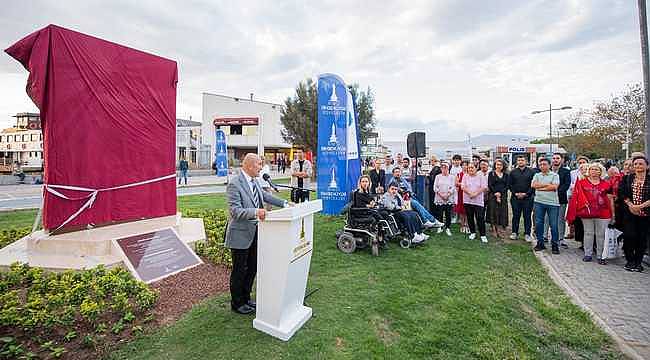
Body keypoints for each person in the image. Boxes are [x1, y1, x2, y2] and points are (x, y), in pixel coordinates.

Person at [225, 153, 289, 315]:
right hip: (240, 235)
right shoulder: (234, 184)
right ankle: (237, 303)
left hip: (256, 233)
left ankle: (246, 298)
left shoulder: (254, 182)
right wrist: (255, 212)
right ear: (250, 165)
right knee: (240, 270)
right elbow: (235, 211)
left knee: (252, 267)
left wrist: (285, 204)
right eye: (259, 164)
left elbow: (265, 196)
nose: (261, 167)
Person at [566, 163, 614, 264]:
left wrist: (613, 214)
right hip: (586, 212)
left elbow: (610, 199)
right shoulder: (582, 183)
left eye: (597, 169)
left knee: (601, 234)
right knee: (588, 233)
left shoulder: (607, 184)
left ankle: (601, 256)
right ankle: (588, 254)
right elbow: (576, 197)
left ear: (601, 172)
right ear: (589, 171)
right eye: (592, 169)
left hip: (603, 212)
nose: (594, 171)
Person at [618, 155, 650, 272]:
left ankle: (638, 262)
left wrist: (640, 206)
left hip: (645, 214)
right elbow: (622, 193)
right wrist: (631, 205)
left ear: (647, 166)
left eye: (641, 164)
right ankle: (630, 260)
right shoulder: (627, 178)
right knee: (629, 236)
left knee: (642, 239)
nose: (637, 166)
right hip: (630, 213)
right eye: (635, 164)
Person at [532, 158, 561, 254]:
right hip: (539, 202)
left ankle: (555, 244)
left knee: (553, 225)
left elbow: (554, 187)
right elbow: (533, 185)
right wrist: (547, 186)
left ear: (549, 165)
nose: (542, 166)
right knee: (539, 223)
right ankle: (540, 243)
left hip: (552, 203)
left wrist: (540, 188)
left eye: (544, 164)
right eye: (540, 165)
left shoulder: (555, 175)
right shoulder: (537, 175)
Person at [544, 153, 571, 248]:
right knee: (546, 218)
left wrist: (555, 192)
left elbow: (566, 185)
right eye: (554, 158)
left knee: (560, 219)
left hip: (561, 199)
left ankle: (560, 238)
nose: (555, 160)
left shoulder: (566, 172)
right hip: (547, 198)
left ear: (562, 160)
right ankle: (544, 236)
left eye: (557, 158)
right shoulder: (546, 170)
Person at [508, 155, 536, 242]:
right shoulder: (512, 172)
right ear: (516, 162)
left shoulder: (531, 172)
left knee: (527, 216)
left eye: (522, 160)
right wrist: (516, 193)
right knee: (516, 216)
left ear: (526, 162)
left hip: (528, 198)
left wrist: (526, 194)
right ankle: (514, 232)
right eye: (519, 160)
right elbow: (510, 184)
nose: (520, 162)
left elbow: (533, 185)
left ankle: (527, 234)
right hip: (515, 198)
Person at [461, 162, 488, 243]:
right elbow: (463, 186)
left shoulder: (481, 176)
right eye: (469, 168)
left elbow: (484, 187)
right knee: (469, 217)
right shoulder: (465, 176)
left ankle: (483, 235)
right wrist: (470, 193)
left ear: (476, 168)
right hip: (467, 200)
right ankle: (473, 232)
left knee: (480, 217)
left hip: (478, 201)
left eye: (472, 167)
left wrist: (475, 193)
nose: (470, 169)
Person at [434, 161, 456, 236]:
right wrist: (441, 195)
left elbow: (453, 187)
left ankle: (448, 228)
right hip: (439, 198)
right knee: (439, 213)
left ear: (448, 168)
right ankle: (440, 227)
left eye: (445, 167)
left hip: (448, 198)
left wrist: (447, 195)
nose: (444, 169)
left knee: (448, 214)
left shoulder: (452, 177)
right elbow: (435, 187)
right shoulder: (438, 176)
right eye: (442, 167)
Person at [488, 158, 509, 239]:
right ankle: (494, 229)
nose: (498, 166)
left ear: (503, 166)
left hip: (503, 195)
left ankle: (500, 229)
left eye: (500, 165)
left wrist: (500, 194)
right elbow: (490, 185)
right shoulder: (491, 174)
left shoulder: (506, 174)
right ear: (495, 165)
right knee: (493, 211)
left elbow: (507, 185)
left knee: (502, 211)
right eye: (497, 164)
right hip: (493, 195)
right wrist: (496, 194)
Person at [455, 160, 469, 233]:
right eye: (463, 165)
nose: (464, 166)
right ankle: (462, 225)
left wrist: (462, 184)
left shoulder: (470, 174)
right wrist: (464, 184)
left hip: (468, 193)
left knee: (467, 209)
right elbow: (456, 183)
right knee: (461, 210)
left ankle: (467, 224)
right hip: (461, 193)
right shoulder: (459, 174)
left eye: (466, 165)